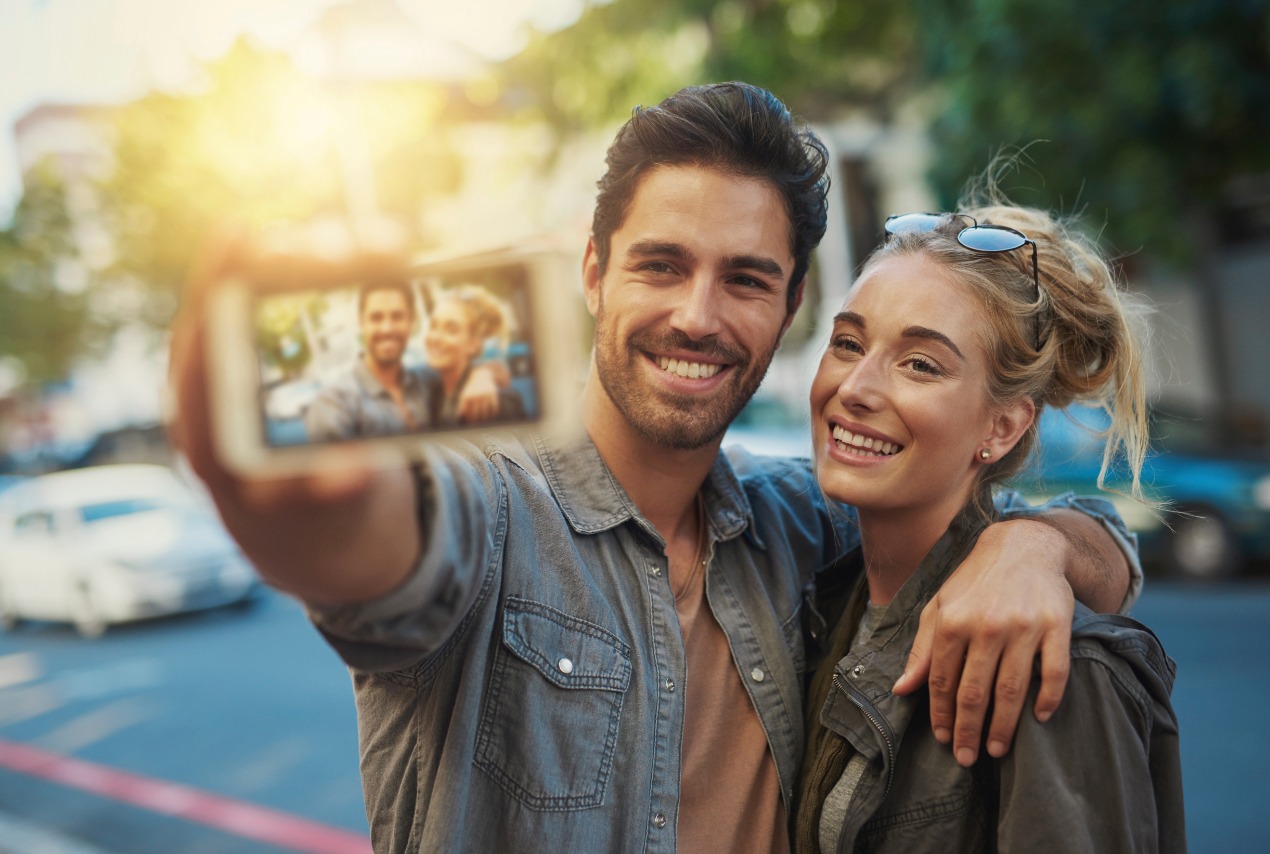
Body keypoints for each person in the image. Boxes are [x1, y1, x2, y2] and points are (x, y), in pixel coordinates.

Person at [168, 83, 1141, 853]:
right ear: (593, 273)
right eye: (660, 265)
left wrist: (1039, 543)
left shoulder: (801, 521)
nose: (697, 315)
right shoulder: (491, 504)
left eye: (745, 278)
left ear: (790, 304)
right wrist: (268, 481)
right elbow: (360, 539)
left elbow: (985, 517)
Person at [794, 205, 1184, 852]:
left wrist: (1040, 544)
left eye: (921, 364)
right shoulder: (821, 594)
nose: (856, 387)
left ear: (1001, 428)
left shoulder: (1048, 658)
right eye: (848, 343)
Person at [304, 279, 503, 440]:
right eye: (376, 318)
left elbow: (467, 370)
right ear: (361, 323)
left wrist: (482, 373)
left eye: (397, 316)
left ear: (411, 321)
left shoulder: (425, 381)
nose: (387, 328)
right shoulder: (334, 402)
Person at [422, 284, 527, 427]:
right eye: (433, 326)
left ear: (473, 344)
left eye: (451, 330)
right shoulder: (432, 393)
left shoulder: (494, 403)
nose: (435, 338)